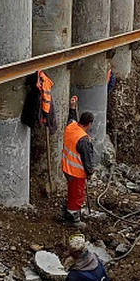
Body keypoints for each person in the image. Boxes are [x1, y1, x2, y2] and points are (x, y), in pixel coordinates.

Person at [61, 96, 95, 227]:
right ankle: (73, 218)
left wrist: (72, 106)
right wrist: (90, 172)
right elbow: (87, 159)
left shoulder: (71, 127)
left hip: (66, 167)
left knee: (71, 192)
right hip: (76, 172)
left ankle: (67, 211)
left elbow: (71, 118)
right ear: (89, 124)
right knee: (77, 195)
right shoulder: (84, 139)